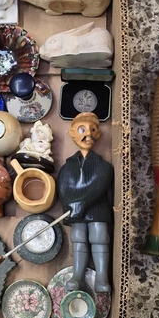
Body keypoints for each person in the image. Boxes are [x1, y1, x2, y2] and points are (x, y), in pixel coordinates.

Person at [57, 112, 114, 293]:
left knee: (99, 237)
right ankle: (78, 277)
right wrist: (70, 207)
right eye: (82, 130)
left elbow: (98, 187)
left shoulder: (103, 166)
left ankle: (102, 279)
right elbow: (64, 189)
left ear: (97, 134)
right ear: (72, 133)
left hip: (96, 209)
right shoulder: (67, 167)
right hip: (75, 211)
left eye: (93, 130)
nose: (87, 134)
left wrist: (78, 206)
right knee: (79, 238)